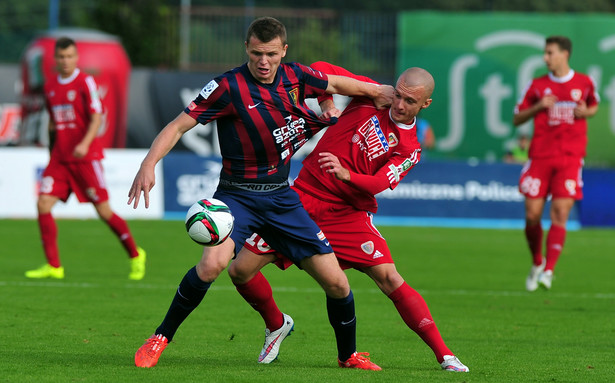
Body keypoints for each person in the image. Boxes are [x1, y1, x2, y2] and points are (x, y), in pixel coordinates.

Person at [128, 17, 393, 369]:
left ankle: (348, 356)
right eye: (256, 54)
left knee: (337, 284)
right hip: (236, 197)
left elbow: (336, 82)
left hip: (282, 199)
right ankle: (160, 336)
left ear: (283, 50)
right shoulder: (227, 86)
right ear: (247, 50)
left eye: (270, 54)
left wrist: (375, 91)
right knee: (212, 265)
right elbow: (178, 125)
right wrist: (149, 163)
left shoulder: (296, 76)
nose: (263, 62)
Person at [228, 61, 469, 372]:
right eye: (398, 95)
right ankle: (277, 324)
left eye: (410, 101)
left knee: (389, 278)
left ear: (425, 104)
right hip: (299, 201)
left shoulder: (410, 147)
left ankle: (445, 356)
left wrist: (347, 175)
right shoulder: (372, 94)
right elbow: (318, 69)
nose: (399, 104)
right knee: (240, 271)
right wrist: (328, 102)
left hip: (348, 215)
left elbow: (380, 182)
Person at [25, 37, 146, 281]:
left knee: (103, 211)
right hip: (59, 159)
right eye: (61, 57)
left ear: (76, 57)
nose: (66, 61)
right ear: (56, 59)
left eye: (70, 56)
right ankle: (54, 266)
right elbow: (51, 121)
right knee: (43, 204)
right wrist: (51, 152)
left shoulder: (85, 81)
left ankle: (135, 254)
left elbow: (97, 117)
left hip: (85, 158)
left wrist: (84, 143)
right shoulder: (50, 86)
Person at [513, 35, 599, 291]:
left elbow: (593, 105)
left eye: (550, 53)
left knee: (560, 213)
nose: (545, 57)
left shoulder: (584, 83)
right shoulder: (537, 85)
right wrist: (538, 107)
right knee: (532, 215)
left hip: (570, 158)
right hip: (540, 156)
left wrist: (587, 112)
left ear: (564, 54)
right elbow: (517, 118)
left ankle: (549, 270)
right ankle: (537, 261)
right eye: (545, 52)